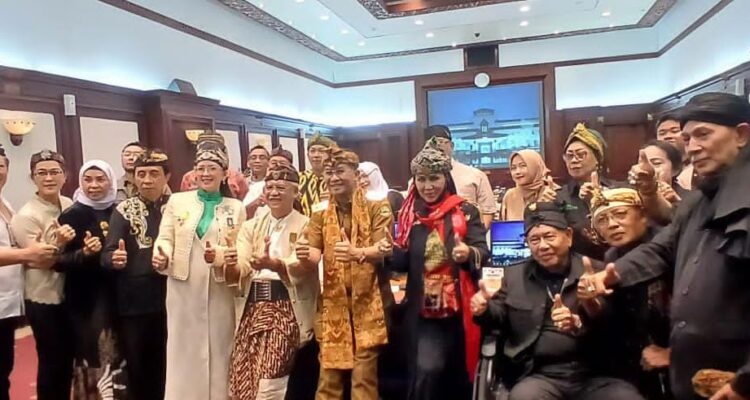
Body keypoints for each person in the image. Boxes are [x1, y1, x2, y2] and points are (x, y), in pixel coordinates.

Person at [580, 93, 750, 400]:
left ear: (741, 135)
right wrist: (609, 274)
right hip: (693, 375)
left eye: (703, 134)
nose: (692, 147)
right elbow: (661, 249)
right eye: (687, 138)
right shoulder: (699, 200)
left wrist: (744, 382)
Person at [471, 202, 644, 400]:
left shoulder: (597, 272)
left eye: (549, 236)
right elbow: (498, 317)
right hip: (538, 374)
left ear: (568, 236)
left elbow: (617, 324)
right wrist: (483, 309)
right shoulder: (513, 275)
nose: (543, 245)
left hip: (596, 373)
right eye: (534, 239)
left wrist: (584, 315)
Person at [390, 138, 490, 400]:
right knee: (428, 370)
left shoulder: (465, 211)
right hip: (424, 313)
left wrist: (467, 253)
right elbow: (401, 264)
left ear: (446, 178)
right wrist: (386, 250)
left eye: (434, 178)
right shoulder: (410, 215)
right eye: (421, 179)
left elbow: (483, 253)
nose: (428, 186)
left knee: (458, 375)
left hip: (461, 308)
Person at [153, 132, 246, 400]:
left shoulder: (235, 207)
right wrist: (162, 254)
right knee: (183, 350)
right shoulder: (177, 201)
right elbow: (165, 237)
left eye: (212, 168)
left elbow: (239, 248)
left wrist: (218, 256)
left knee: (220, 348)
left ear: (224, 173)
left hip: (220, 290)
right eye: (201, 168)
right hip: (183, 288)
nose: (206, 173)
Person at [295, 147, 393, 400]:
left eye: (340, 171)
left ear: (356, 174)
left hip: (369, 302)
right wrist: (303, 254)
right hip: (333, 304)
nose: (334, 178)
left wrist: (357, 253)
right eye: (329, 173)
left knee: (363, 378)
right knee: (328, 379)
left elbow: (383, 249)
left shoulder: (377, 206)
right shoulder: (319, 213)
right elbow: (314, 254)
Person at [229, 165, 318, 400]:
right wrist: (228, 264)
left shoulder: (308, 225)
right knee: (244, 376)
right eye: (269, 187)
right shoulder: (250, 226)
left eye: (281, 187)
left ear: (295, 192)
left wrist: (276, 264)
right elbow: (242, 263)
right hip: (252, 308)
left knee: (271, 376)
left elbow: (304, 266)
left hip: (285, 308)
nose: (274, 192)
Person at [587, 187, 671, 398]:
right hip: (641, 357)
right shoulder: (611, 257)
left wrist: (674, 353)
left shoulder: (671, 246)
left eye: (620, 214)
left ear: (643, 215)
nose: (612, 224)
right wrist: (590, 304)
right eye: (602, 220)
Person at [101, 149, 171, 400]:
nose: (147, 180)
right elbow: (107, 253)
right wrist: (114, 258)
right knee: (138, 365)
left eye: (154, 173)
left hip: (173, 298)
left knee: (170, 363)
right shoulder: (124, 209)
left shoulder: (179, 207)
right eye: (141, 174)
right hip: (135, 301)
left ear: (167, 176)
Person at [55, 160, 128, 398]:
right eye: (87, 180)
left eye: (100, 179)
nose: (93, 185)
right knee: (94, 353)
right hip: (86, 299)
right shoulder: (72, 215)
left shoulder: (121, 210)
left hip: (118, 293)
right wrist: (84, 253)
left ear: (111, 181)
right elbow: (57, 262)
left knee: (119, 352)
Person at [10, 149, 76, 400]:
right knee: (52, 361)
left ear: (65, 176)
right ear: (33, 177)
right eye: (42, 173)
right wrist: (59, 242)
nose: (49, 178)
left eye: (54, 172)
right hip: (43, 297)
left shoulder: (69, 205)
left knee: (67, 359)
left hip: (69, 294)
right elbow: (40, 259)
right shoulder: (26, 216)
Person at [0, 146, 58, 400]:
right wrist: (27, 254)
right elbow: (24, 252)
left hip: (8, 302)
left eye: (0, 166)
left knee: (4, 369)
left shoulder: (5, 203)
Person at [556, 123, 615, 260]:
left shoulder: (616, 191)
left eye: (581, 155)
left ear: (598, 158)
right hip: (578, 265)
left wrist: (596, 202)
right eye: (569, 156)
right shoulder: (559, 196)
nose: (574, 160)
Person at [425, 125, 496, 229]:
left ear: (451, 145)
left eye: (441, 142)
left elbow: (488, 212)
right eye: (431, 144)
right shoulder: (417, 181)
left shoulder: (476, 175)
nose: (436, 146)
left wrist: (476, 236)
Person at [180, 133, 249, 201]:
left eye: (213, 168)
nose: (206, 174)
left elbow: (243, 200)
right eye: (204, 145)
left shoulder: (237, 176)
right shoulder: (188, 177)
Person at [500, 149, 559, 221]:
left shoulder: (552, 192)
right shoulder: (510, 195)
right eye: (513, 168)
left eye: (523, 166)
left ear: (535, 166)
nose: (517, 172)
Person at [299, 133, 336, 217]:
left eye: (321, 151)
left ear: (330, 154)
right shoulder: (299, 178)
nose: (316, 155)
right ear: (307, 155)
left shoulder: (337, 179)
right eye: (312, 151)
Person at [656, 113, 695, 191]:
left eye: (674, 131)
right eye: (662, 133)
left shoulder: (699, 166)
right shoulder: (657, 170)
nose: (667, 136)